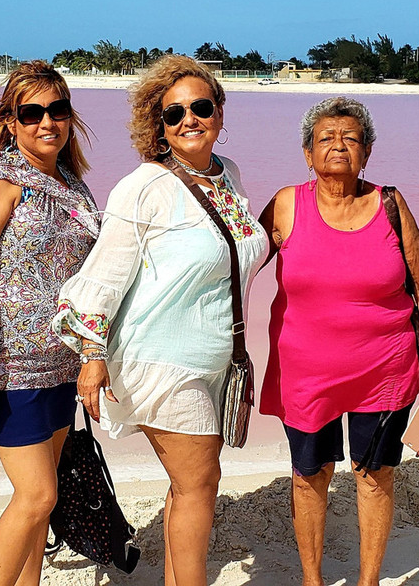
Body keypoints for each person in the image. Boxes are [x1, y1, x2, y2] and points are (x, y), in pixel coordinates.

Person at [53, 55, 267, 586]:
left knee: (187, 485)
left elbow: (236, 253)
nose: (189, 120)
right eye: (175, 114)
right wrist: (92, 357)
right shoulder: (144, 186)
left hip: (217, 357)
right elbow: (102, 275)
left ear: (219, 111)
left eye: (201, 107)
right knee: (199, 484)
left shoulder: (230, 175)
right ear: (159, 126)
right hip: (162, 359)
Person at [258, 96, 419, 586]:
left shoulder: (391, 204)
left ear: (367, 151)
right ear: (307, 153)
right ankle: (312, 580)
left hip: (384, 369)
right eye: (325, 137)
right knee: (310, 476)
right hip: (305, 372)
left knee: (374, 474)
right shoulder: (286, 204)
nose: (338, 145)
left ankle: (368, 582)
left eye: (350, 137)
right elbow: (232, 267)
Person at [0, 61, 99, 586]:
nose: (46, 122)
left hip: (59, 364)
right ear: (11, 122)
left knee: (41, 498)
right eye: (31, 112)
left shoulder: (73, 186)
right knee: (38, 497)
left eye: (57, 110)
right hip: (8, 370)